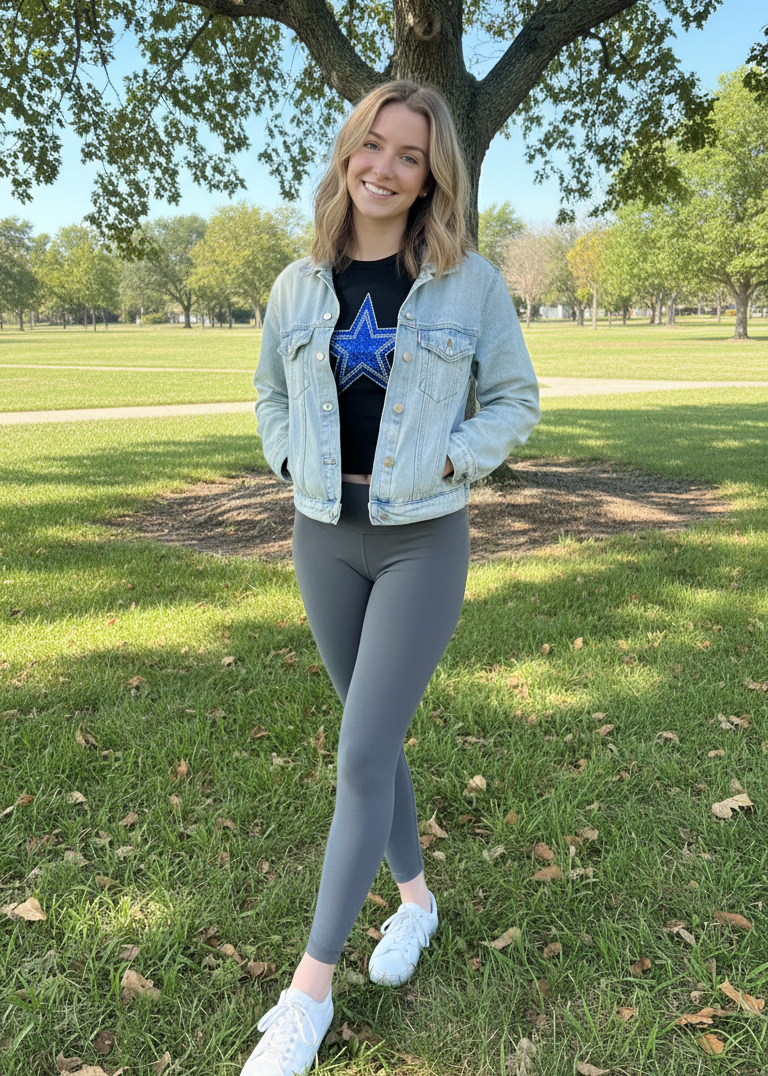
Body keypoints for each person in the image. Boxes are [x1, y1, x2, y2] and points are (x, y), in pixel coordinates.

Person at [244, 78, 540, 1076]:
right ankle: (416, 900)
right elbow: (268, 397)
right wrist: (288, 461)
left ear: (430, 176)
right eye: (373, 145)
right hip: (323, 532)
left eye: (409, 155)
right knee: (377, 740)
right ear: (347, 151)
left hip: (421, 537)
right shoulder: (297, 283)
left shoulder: (470, 281)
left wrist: (457, 457)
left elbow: (515, 397)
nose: (384, 167)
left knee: (362, 746)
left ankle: (306, 993)